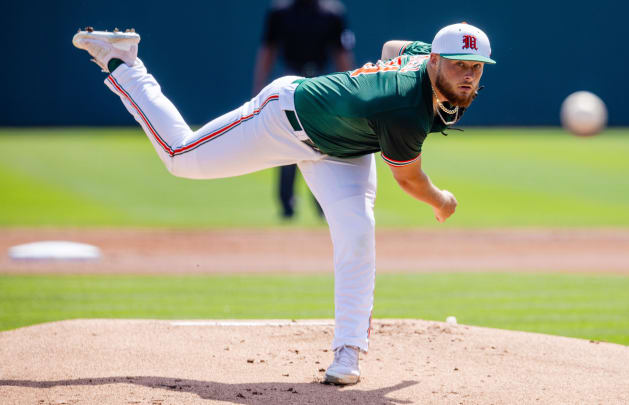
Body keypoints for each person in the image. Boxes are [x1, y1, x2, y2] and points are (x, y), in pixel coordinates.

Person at [72, 21, 495, 385]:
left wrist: (354, 96)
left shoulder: (424, 61)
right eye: (459, 64)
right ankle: (125, 63)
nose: (468, 76)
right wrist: (441, 202)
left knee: (358, 235)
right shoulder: (405, 104)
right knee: (181, 157)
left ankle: (348, 352)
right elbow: (409, 180)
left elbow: (392, 49)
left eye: (476, 68)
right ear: (436, 62)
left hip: (344, 149)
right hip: (284, 119)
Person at [253, 0, 355, 220]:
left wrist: (349, 91)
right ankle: (287, 204)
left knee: (323, 143)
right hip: (289, 81)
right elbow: (268, 49)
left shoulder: (332, 12)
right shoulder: (280, 12)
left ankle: (322, 203)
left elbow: (341, 52)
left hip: (320, 82)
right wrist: (259, 87)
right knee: (288, 141)